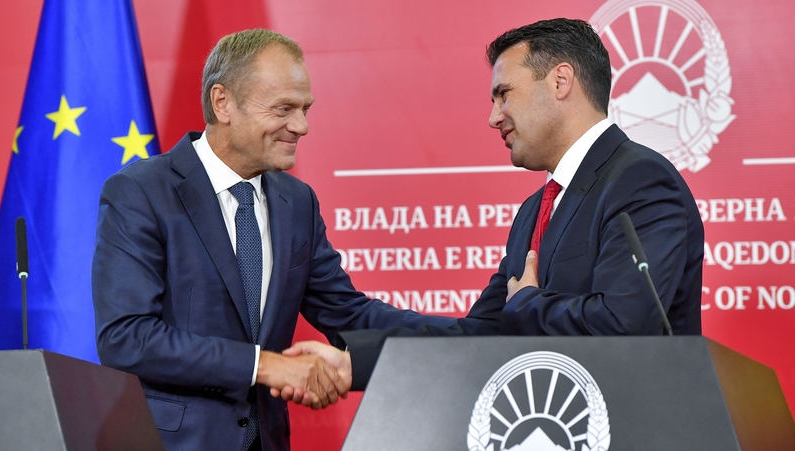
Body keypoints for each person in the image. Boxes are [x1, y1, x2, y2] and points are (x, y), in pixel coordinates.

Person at [284, 18, 704, 390]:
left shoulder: (640, 179)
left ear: (561, 81)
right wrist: (355, 362)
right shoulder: (533, 212)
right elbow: (481, 336)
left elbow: (624, 326)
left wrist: (526, 303)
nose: (493, 116)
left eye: (504, 94)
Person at [91, 29, 461, 451]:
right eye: (284, 108)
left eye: (305, 108)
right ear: (223, 102)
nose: (301, 126)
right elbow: (126, 338)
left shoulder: (296, 201)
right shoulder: (141, 191)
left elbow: (348, 313)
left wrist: (468, 335)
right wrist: (263, 366)